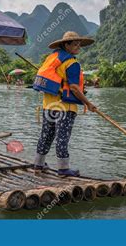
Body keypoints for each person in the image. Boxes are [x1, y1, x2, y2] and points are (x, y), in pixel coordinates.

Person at [32, 31, 97, 177]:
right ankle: (63, 169)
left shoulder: (52, 59)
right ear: (66, 45)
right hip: (65, 108)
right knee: (62, 137)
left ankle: (38, 165)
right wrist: (88, 103)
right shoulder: (72, 63)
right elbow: (74, 87)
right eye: (75, 44)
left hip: (48, 107)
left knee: (46, 136)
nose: (78, 47)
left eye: (79, 44)